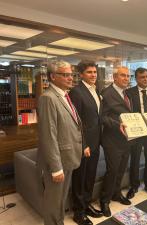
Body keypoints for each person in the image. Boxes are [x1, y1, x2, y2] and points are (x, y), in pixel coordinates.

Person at [37, 60, 84, 225]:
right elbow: (48, 135)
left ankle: (59, 222)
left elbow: (74, 126)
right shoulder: (48, 98)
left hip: (69, 156)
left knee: (61, 201)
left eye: (71, 74)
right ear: (53, 76)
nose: (71, 78)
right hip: (57, 162)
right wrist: (56, 168)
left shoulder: (65, 96)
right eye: (66, 75)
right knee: (53, 202)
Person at [69, 60, 103, 225]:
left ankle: (87, 204)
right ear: (81, 74)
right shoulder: (76, 92)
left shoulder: (96, 90)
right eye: (89, 72)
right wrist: (84, 145)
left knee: (90, 176)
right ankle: (78, 212)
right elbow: (77, 122)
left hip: (96, 142)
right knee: (80, 178)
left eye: (95, 72)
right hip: (85, 145)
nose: (93, 75)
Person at [100, 67, 133, 217]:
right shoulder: (106, 94)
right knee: (112, 171)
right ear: (114, 77)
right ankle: (104, 200)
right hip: (112, 140)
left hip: (126, 139)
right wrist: (117, 125)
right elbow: (102, 117)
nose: (126, 78)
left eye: (128, 76)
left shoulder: (126, 93)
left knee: (121, 169)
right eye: (123, 76)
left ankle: (116, 193)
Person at [126, 67, 147, 199]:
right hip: (137, 130)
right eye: (142, 77)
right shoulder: (129, 92)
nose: (146, 79)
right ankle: (133, 186)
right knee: (134, 159)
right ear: (136, 79)